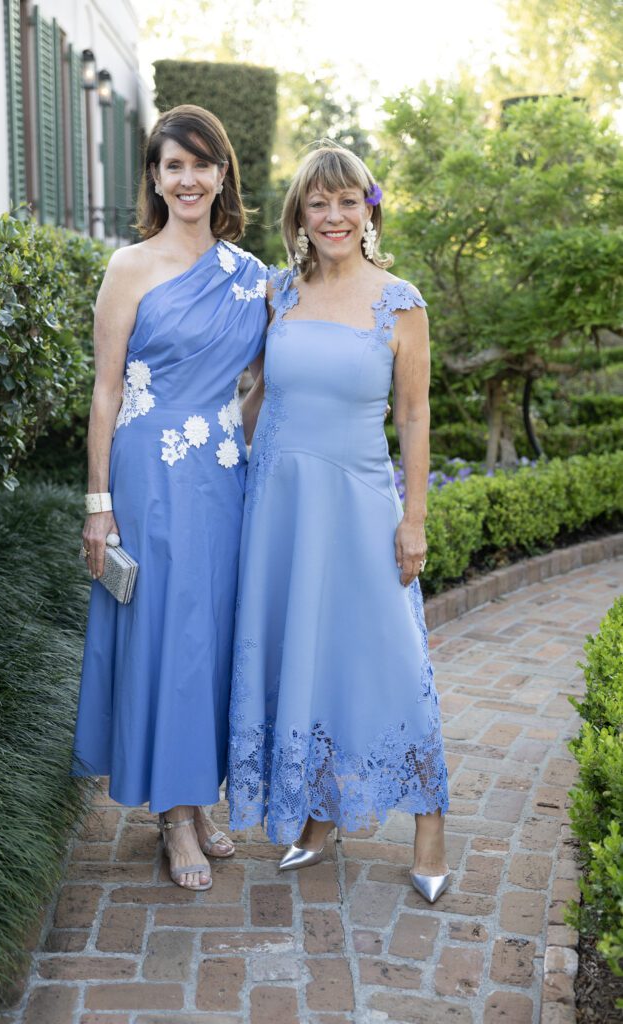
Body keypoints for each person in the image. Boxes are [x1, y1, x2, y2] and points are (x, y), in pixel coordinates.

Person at [227, 144, 450, 903]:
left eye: (347, 202)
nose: (333, 217)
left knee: (386, 653)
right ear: (300, 215)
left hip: (357, 503)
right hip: (279, 505)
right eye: (317, 204)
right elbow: (256, 391)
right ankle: (318, 817)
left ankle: (429, 820)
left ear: (369, 210)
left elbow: (416, 417)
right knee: (304, 653)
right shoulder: (277, 294)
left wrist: (412, 519)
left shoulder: (400, 301)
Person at [73, 105, 267, 892]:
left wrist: (249, 438)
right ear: (154, 178)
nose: (188, 179)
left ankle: (199, 794)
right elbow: (106, 390)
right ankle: (172, 817)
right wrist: (97, 502)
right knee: (163, 632)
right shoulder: (129, 267)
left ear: (223, 174)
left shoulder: (251, 276)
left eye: (201, 164)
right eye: (172, 166)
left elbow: (259, 383)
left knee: (209, 636)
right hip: (149, 474)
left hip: (223, 475)